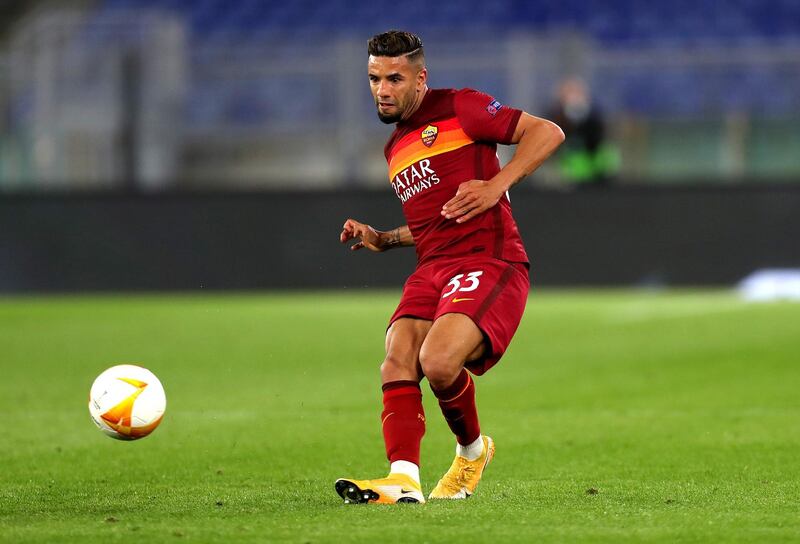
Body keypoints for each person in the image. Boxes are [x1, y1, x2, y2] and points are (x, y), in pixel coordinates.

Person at [335, 30, 564, 505]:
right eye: (375, 78)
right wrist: (387, 237)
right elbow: (438, 222)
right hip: (433, 267)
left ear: (421, 78)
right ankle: (403, 479)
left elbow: (548, 132)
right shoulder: (393, 149)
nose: (383, 89)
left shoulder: (462, 107)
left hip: (489, 259)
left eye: (395, 78)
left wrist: (496, 185)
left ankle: (471, 453)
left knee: (438, 362)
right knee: (397, 355)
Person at [547, 77, 618, 185]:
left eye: (576, 93)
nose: (573, 99)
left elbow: (600, 141)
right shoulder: (554, 119)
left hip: (598, 173)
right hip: (571, 175)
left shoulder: (595, 117)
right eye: (569, 94)